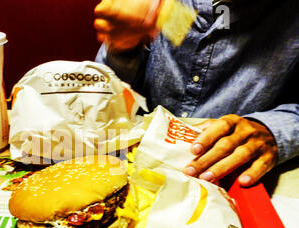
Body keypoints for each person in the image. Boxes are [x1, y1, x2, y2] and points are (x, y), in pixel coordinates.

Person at [93, 0, 298, 187]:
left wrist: (273, 130)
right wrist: (123, 49)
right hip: (132, 161)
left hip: (237, 179)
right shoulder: (159, 6)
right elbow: (100, 101)